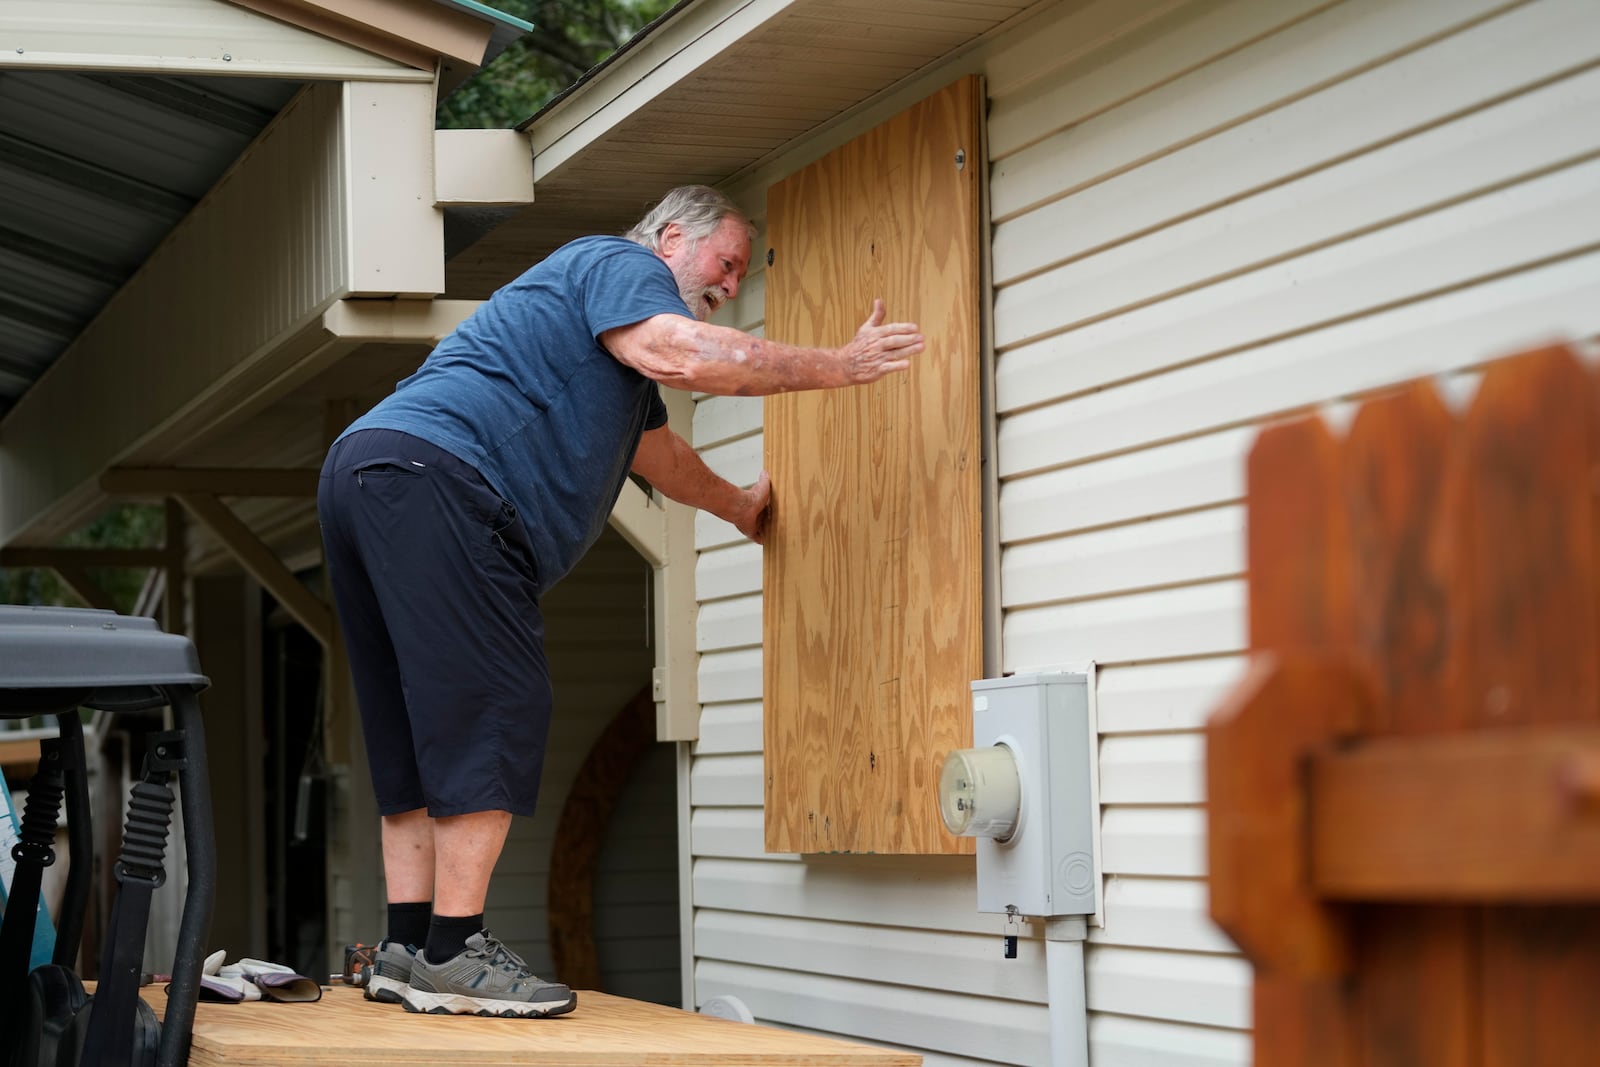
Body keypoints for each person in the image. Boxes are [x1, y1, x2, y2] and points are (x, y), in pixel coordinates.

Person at [316, 184, 923, 1018]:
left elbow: (661, 455)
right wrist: (839, 366)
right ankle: (456, 952)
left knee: (417, 722)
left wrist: (742, 507)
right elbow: (686, 352)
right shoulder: (618, 264)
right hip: (441, 477)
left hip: (369, 470)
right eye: (727, 263)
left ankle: (407, 949)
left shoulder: (605, 351)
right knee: (500, 698)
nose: (732, 287)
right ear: (672, 237)